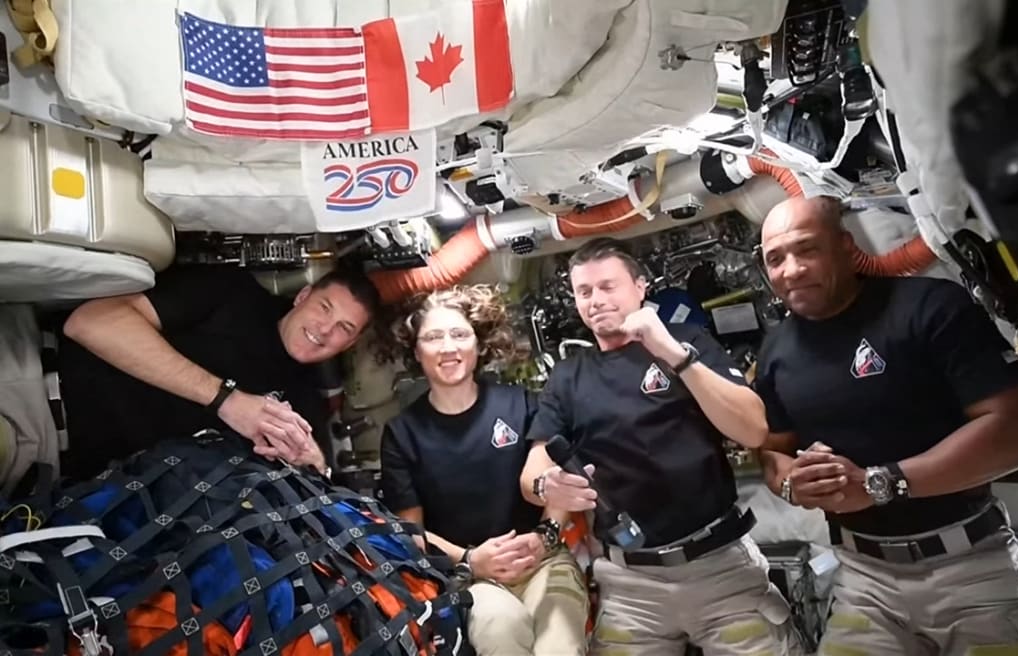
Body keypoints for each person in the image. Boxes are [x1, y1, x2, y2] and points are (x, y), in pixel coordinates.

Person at [754, 195, 1018, 653]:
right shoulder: (775, 350)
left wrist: (881, 483)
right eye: (775, 259)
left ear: (844, 246)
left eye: (806, 249)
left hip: (973, 570)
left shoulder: (929, 307)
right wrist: (791, 483)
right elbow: (772, 449)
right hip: (863, 579)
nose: (790, 270)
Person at [518, 237, 798, 656]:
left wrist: (669, 350)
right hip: (630, 586)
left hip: (720, 567)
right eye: (584, 291)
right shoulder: (569, 376)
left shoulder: (689, 342)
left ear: (640, 286)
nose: (596, 300)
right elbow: (532, 471)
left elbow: (753, 431)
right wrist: (547, 487)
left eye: (608, 286)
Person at [378, 285, 589, 656]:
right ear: (416, 352)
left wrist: (545, 537)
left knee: (560, 641)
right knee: (499, 627)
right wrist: (472, 559)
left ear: (478, 345)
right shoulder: (402, 433)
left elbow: (554, 485)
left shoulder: (521, 404)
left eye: (460, 334)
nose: (448, 347)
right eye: (433, 337)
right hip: (470, 575)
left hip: (541, 561)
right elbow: (411, 533)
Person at [57, 264, 380, 480]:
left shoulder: (306, 403)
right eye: (324, 308)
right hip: (46, 407)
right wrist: (226, 399)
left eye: (344, 328)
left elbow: (316, 477)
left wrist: (315, 463)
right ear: (303, 296)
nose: (325, 330)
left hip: (83, 494)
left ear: (350, 343)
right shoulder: (233, 294)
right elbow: (90, 322)